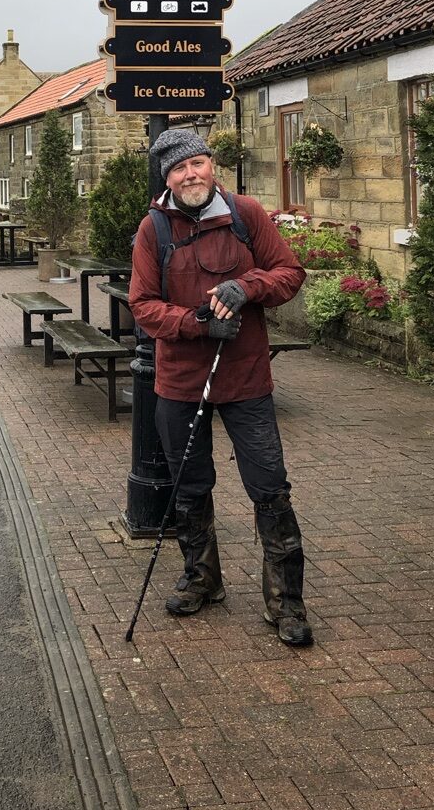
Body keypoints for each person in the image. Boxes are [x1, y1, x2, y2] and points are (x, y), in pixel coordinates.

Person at [128, 128, 312, 645]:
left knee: (270, 485)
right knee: (189, 485)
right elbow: (142, 306)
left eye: (198, 164)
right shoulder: (153, 231)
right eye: (179, 169)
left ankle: (286, 602)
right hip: (182, 381)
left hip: (246, 377)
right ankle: (202, 578)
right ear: (167, 177)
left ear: (212, 166)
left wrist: (247, 286)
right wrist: (198, 324)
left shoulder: (246, 215)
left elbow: (289, 273)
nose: (191, 175)